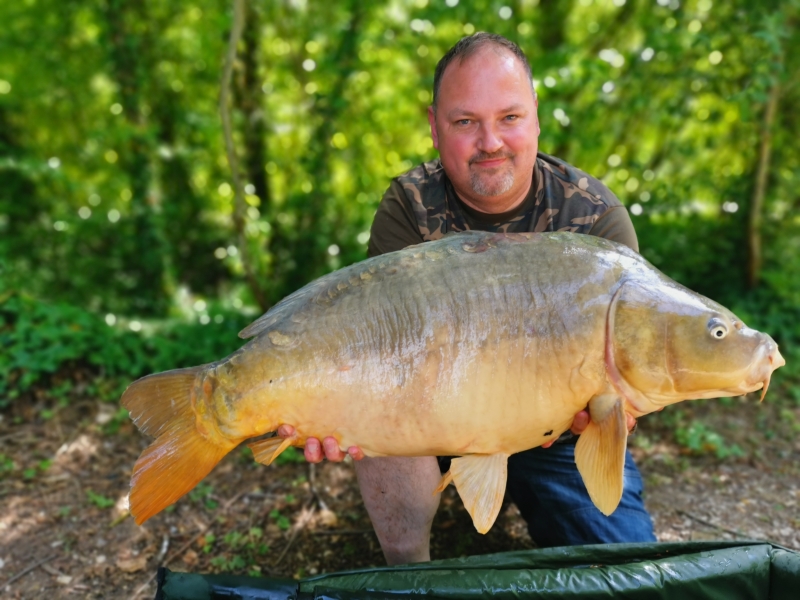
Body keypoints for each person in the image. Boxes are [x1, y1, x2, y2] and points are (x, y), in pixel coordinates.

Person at [280, 33, 656, 565]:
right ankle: (408, 570)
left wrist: (611, 411)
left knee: (628, 571)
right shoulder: (409, 206)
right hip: (432, 413)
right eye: (465, 122)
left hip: (556, 435)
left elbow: (625, 381)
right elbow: (380, 354)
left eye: (509, 117)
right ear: (434, 127)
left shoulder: (595, 219)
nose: (491, 142)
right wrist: (333, 414)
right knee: (377, 411)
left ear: (536, 118)